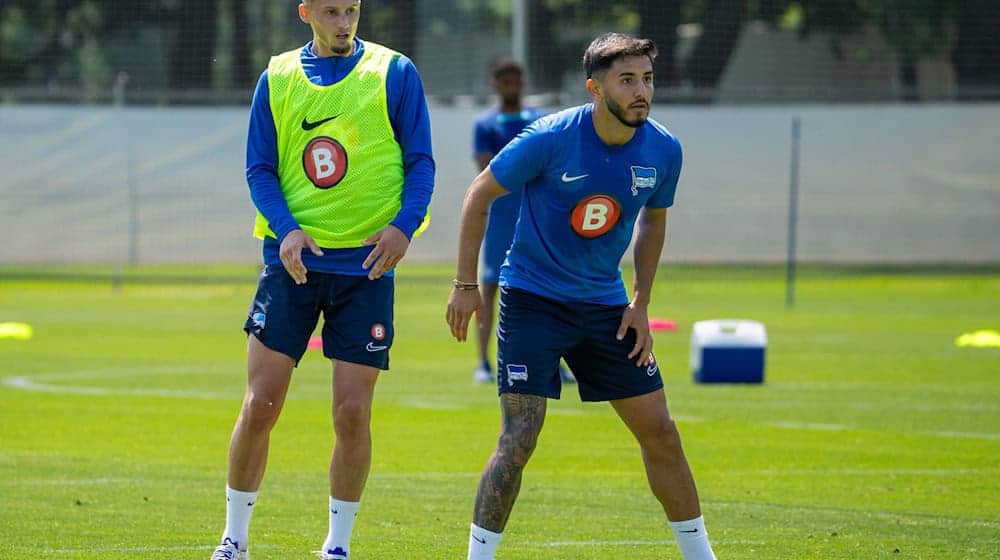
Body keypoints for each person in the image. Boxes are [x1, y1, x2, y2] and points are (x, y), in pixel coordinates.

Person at [445, 33, 717, 560]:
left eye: (648, 79)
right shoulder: (549, 137)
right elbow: (478, 194)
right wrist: (464, 287)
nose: (642, 91)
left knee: (661, 431)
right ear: (595, 88)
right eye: (628, 80)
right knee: (520, 436)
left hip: (605, 307)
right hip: (532, 301)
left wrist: (639, 302)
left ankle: (701, 555)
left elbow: (653, 223)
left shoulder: (664, 148)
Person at [211, 1, 434, 559]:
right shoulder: (278, 76)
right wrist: (285, 230)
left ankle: (337, 546)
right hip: (292, 265)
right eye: (331, 11)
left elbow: (422, 163)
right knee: (260, 404)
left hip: (366, 268)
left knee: (352, 412)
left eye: (352, 10)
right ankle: (233, 539)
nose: (344, 22)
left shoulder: (395, 71)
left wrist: (404, 228)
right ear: (305, 11)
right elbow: (259, 167)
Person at [470, 59, 574, 385]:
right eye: (504, 79)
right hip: (501, 218)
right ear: (494, 83)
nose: (510, 84)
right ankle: (484, 362)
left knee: (549, 289)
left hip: (538, 218)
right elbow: (488, 171)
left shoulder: (538, 121)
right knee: (490, 286)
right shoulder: (486, 124)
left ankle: (556, 363)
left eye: (515, 78)